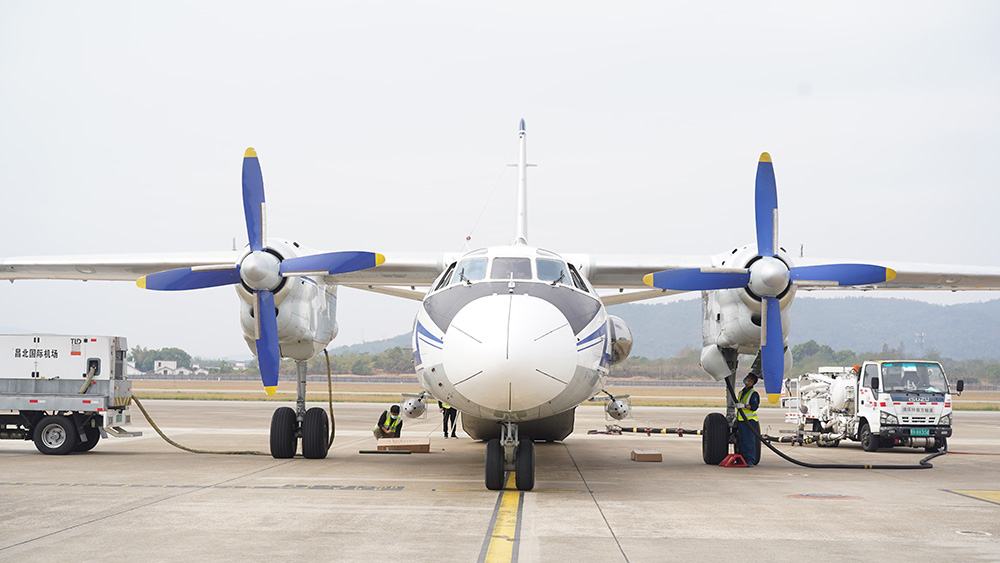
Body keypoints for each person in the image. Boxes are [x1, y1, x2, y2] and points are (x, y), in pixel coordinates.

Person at [736, 373, 761, 467]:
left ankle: (750, 460)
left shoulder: (753, 394)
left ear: (752, 382)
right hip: (741, 420)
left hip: (749, 421)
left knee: (749, 441)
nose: (746, 379)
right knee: (742, 441)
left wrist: (744, 406)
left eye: (748, 378)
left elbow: (754, 407)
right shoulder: (742, 392)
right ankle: (743, 459)